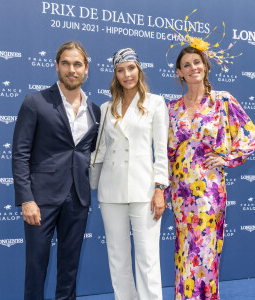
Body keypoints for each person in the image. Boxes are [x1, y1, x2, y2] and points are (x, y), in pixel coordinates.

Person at [164, 45, 255, 299]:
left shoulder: (223, 100)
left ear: (205, 66)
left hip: (209, 189)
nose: (193, 67)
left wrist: (227, 158)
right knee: (185, 250)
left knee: (206, 250)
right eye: (187, 65)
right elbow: (165, 152)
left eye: (197, 62)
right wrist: (162, 189)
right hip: (181, 191)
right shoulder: (171, 108)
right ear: (179, 72)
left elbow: (250, 132)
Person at [12, 41, 100, 300]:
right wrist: (27, 199)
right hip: (41, 199)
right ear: (57, 67)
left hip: (78, 198)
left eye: (77, 64)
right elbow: (20, 154)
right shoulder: (35, 101)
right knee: (37, 266)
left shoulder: (94, 111)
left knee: (70, 268)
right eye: (66, 63)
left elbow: (90, 153)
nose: (71, 69)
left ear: (86, 69)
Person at [92, 48, 169, 300]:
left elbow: (161, 149)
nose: (127, 74)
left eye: (131, 68)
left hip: (144, 189)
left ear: (139, 69)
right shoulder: (106, 107)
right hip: (110, 191)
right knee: (118, 258)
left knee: (147, 259)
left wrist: (160, 188)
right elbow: (100, 150)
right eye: (121, 70)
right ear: (115, 74)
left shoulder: (156, 102)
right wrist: (86, 183)